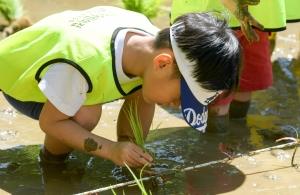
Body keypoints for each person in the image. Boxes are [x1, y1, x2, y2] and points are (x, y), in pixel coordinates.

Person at [0, 6, 242, 167]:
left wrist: (132, 153)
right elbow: (50, 122)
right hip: (20, 78)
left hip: (67, 71)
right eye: (182, 96)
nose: (177, 105)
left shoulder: (151, 45)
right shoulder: (84, 61)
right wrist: (111, 150)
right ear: (163, 63)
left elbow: (145, 97)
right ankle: (51, 161)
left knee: (146, 88)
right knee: (86, 112)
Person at [171, 0, 300, 133]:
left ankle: (231, 133)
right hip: (216, 15)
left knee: (246, 75)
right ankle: (221, 136)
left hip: (257, 13)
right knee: (216, 76)